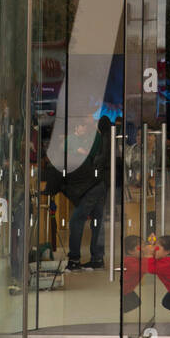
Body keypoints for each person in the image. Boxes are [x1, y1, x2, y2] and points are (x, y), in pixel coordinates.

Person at [46, 114, 112, 272]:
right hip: (99, 185)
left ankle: (75, 259)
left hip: (92, 187)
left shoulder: (63, 160)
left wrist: (47, 192)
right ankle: (97, 258)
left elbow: (54, 187)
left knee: (76, 221)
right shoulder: (89, 148)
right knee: (97, 221)